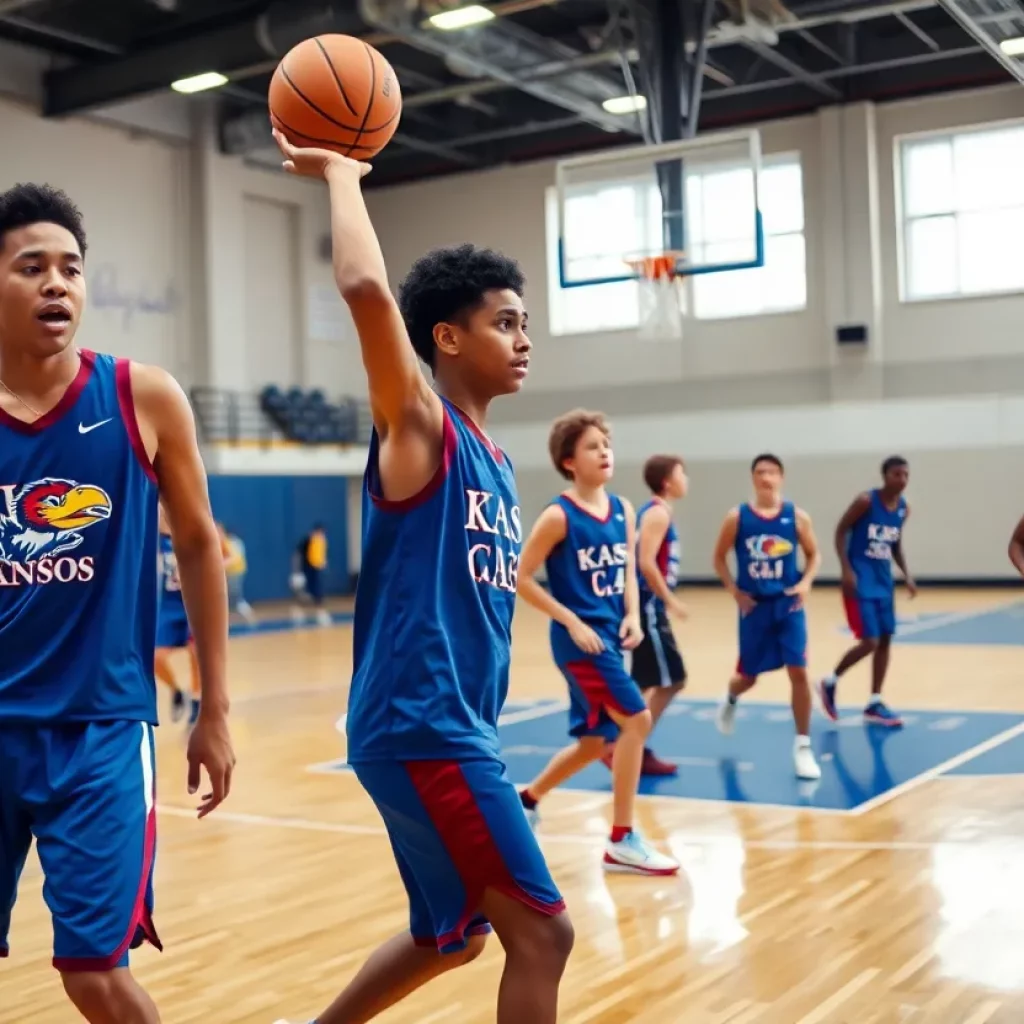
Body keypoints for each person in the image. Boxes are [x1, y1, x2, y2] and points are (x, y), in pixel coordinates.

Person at [268, 129, 572, 1024]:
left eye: (525, 323)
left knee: (454, 936)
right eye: (505, 322)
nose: (524, 339)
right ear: (447, 337)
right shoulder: (421, 427)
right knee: (543, 935)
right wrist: (341, 174)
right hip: (424, 725)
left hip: (447, 726)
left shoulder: (496, 460)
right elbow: (367, 291)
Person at [0, 183, 235, 1023]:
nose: (57, 284)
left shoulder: (143, 396)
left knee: (94, 974)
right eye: (32, 267)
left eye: (71, 268)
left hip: (98, 730)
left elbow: (200, 545)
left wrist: (213, 708)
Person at [514, 412, 680, 876]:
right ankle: (621, 840)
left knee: (593, 743)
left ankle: (527, 800)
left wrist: (633, 615)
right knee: (637, 720)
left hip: (610, 635)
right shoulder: (558, 516)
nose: (604, 451)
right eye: (592, 446)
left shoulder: (623, 509)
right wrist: (571, 621)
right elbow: (521, 577)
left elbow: (627, 572)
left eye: (606, 443)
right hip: (580, 643)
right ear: (569, 462)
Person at [712, 453, 822, 781]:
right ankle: (731, 698)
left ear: (781, 477)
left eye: (772, 472)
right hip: (754, 607)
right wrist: (735, 591)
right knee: (748, 677)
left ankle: (803, 746)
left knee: (798, 670)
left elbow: (814, 554)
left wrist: (806, 582)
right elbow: (718, 558)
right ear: (753, 478)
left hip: (788, 604)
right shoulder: (738, 518)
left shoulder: (796, 517)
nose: (766, 477)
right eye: (760, 472)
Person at [819, 456, 915, 728]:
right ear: (885, 476)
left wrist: (906, 575)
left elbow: (895, 545)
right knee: (870, 641)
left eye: (906, 475)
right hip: (861, 581)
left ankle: (874, 701)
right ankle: (830, 681)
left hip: (884, 582)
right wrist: (846, 569)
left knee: (885, 640)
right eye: (897, 474)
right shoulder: (866, 501)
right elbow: (840, 531)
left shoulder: (903, 508)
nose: (902, 480)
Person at [625, 454, 690, 776]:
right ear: (667, 481)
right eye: (682, 473)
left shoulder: (658, 511)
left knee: (647, 681)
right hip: (649, 607)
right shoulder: (657, 513)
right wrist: (670, 600)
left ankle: (627, 742)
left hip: (649, 606)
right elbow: (646, 563)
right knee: (672, 679)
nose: (686, 479)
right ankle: (628, 744)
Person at [155, 503, 201, 725]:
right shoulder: (151, 540)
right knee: (155, 658)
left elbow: (223, 558)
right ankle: (176, 691)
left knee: (196, 652)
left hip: (192, 603)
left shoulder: (191, 533)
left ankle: (197, 700)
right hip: (167, 606)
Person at [291, 523, 330, 626]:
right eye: (319, 531)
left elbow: (323, 554)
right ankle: (298, 609)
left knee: (317, 588)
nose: (321, 534)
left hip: (316, 568)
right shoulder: (307, 540)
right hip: (306, 569)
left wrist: (324, 562)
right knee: (302, 589)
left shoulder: (322, 541)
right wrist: (297, 570)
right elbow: (298, 555)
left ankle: (320, 609)